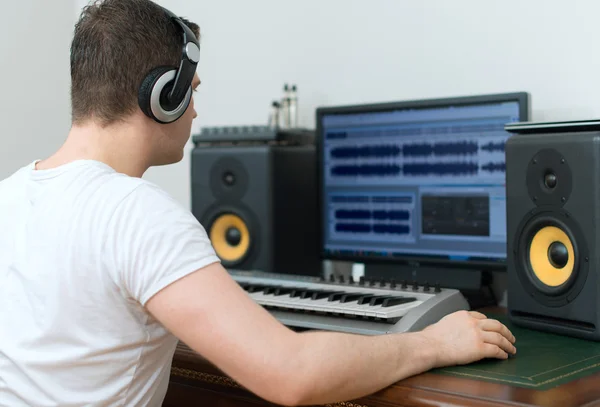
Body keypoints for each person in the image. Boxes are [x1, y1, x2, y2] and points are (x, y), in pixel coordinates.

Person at [0, 0, 517, 406]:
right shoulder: (137, 214)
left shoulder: (10, 194)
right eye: (191, 91)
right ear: (164, 95)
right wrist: (435, 343)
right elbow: (290, 373)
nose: (196, 110)